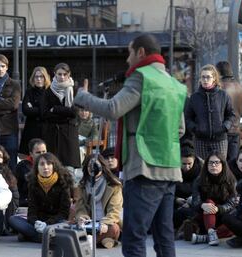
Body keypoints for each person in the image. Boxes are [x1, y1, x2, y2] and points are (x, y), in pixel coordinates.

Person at [74, 33, 186, 257]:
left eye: (129, 53)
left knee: (134, 236)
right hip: (171, 167)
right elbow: (180, 130)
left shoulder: (141, 77)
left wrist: (83, 96)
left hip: (144, 166)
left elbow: (114, 108)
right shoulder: (174, 84)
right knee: (164, 237)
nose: (127, 59)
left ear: (141, 53)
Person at [9, 152, 73, 243]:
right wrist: (35, 223)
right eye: (42, 164)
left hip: (56, 222)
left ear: (54, 166)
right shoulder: (33, 183)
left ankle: (33, 236)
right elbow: (32, 210)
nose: (45, 167)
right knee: (13, 220)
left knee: (65, 225)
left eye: (49, 164)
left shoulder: (63, 182)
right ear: (37, 167)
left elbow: (64, 212)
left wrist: (47, 224)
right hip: (38, 222)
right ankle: (45, 237)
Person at [185, 64, 236, 160]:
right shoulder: (195, 97)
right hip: (200, 140)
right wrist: (195, 129)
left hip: (219, 140)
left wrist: (225, 127)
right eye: (203, 77)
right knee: (202, 168)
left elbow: (231, 115)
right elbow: (188, 117)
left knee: (219, 168)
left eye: (208, 77)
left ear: (214, 78)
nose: (205, 80)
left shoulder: (223, 95)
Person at [75, 154, 122, 249]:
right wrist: (82, 218)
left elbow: (115, 210)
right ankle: (104, 241)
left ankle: (86, 242)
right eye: (89, 166)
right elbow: (80, 207)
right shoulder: (82, 186)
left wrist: (104, 223)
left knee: (114, 229)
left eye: (96, 165)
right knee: (69, 226)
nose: (92, 168)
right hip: (89, 224)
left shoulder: (114, 185)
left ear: (102, 167)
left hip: (106, 224)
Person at [190, 152, 237, 246]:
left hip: (223, 215)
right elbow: (195, 202)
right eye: (210, 163)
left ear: (223, 164)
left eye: (217, 162)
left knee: (233, 226)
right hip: (205, 216)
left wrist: (218, 209)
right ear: (206, 165)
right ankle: (211, 232)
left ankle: (205, 238)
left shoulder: (231, 180)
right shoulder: (199, 180)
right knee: (209, 202)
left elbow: (232, 203)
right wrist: (202, 205)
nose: (213, 165)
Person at [43, 63, 80, 174]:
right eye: (59, 74)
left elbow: (74, 112)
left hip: (69, 136)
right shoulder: (48, 91)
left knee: (69, 172)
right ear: (55, 74)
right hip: (53, 135)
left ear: (69, 74)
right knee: (53, 170)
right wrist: (66, 113)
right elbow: (45, 113)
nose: (62, 77)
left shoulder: (75, 89)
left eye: (65, 74)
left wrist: (55, 109)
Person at [216, 61, 242, 161]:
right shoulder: (240, 88)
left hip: (222, 132)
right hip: (236, 131)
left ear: (218, 72)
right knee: (233, 164)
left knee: (220, 164)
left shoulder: (219, 88)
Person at [19, 66, 50, 155]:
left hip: (46, 130)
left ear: (45, 78)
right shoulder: (29, 92)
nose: (39, 79)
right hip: (31, 129)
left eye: (41, 76)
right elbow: (25, 110)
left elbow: (50, 112)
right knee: (29, 157)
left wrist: (33, 108)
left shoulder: (50, 92)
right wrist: (42, 109)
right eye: (36, 77)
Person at [0, 144, 19, 236]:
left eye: (0, 156)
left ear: (4, 160)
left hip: (5, 213)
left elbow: (15, 200)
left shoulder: (9, 176)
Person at [174, 140, 201, 234]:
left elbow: (202, 189)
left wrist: (191, 200)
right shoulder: (172, 169)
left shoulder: (200, 169)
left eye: (190, 164)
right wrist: (176, 199)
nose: (187, 167)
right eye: (184, 164)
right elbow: (167, 188)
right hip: (176, 202)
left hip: (193, 202)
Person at [15, 138, 47, 207]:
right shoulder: (21, 166)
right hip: (26, 204)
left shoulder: (52, 165)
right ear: (31, 154)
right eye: (38, 152)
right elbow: (16, 189)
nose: (42, 155)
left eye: (44, 152)